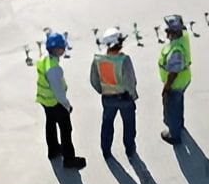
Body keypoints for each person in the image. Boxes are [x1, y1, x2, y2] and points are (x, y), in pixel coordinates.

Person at [36, 32, 87, 169]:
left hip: (45, 101)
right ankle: (69, 159)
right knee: (66, 130)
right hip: (55, 103)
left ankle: (53, 150)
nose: (64, 49)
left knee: (50, 124)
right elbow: (58, 91)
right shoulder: (54, 68)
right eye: (62, 47)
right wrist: (67, 105)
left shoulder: (44, 60)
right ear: (57, 49)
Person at [89, 28, 138, 158]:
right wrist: (133, 95)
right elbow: (130, 81)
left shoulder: (98, 59)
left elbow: (94, 80)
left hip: (107, 98)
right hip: (124, 98)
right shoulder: (124, 60)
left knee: (107, 123)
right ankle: (129, 148)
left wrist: (103, 91)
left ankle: (106, 150)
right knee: (129, 124)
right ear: (118, 43)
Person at [158, 14, 192, 145]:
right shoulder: (183, 37)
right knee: (178, 104)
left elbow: (173, 73)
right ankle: (180, 124)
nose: (165, 32)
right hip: (184, 80)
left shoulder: (175, 50)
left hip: (176, 84)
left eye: (167, 30)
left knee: (172, 108)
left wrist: (166, 87)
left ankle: (174, 134)